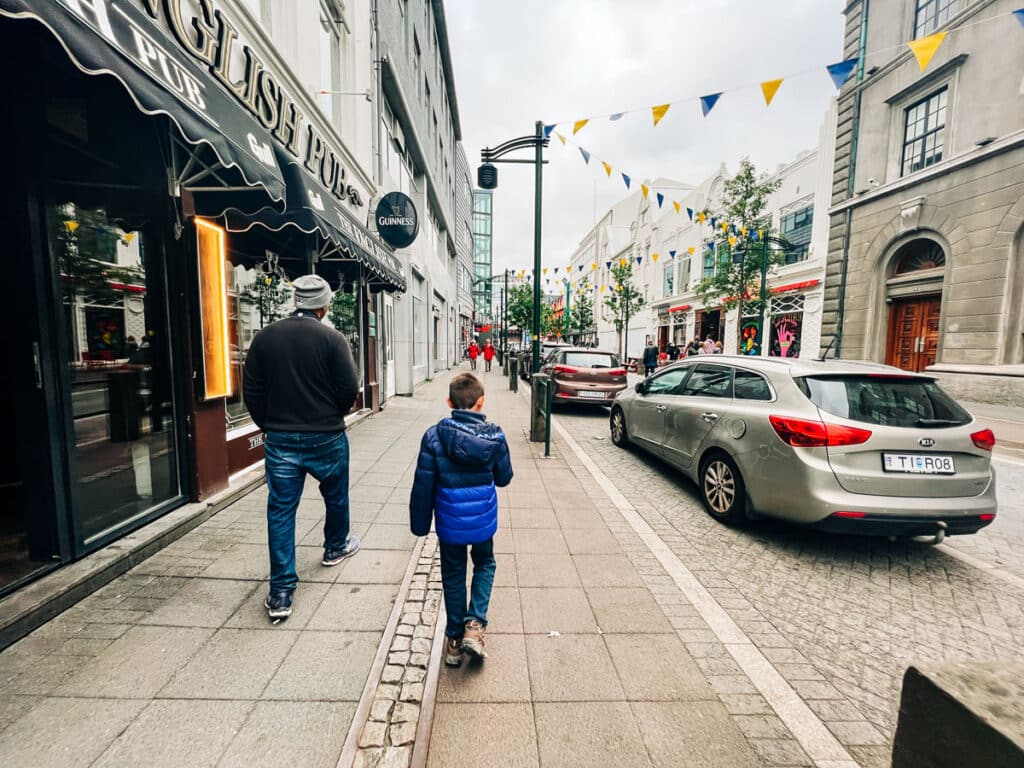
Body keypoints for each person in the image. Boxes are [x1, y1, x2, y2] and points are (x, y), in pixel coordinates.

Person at [243, 275, 361, 621]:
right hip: (326, 435)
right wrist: (332, 415)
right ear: (323, 306)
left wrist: (269, 424)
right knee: (336, 495)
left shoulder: (266, 337)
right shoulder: (332, 339)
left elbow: (251, 389)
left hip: (280, 438)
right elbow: (349, 387)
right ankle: (335, 546)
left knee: (280, 511)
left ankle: (281, 592)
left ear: (297, 302)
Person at [410, 373, 513, 666]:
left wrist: (420, 524)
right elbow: (504, 478)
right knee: (485, 563)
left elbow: (423, 485)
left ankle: (454, 641)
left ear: (449, 402)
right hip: (482, 521)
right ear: (481, 402)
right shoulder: (495, 435)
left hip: (450, 521)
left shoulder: (433, 437)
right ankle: (475, 625)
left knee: (453, 573)